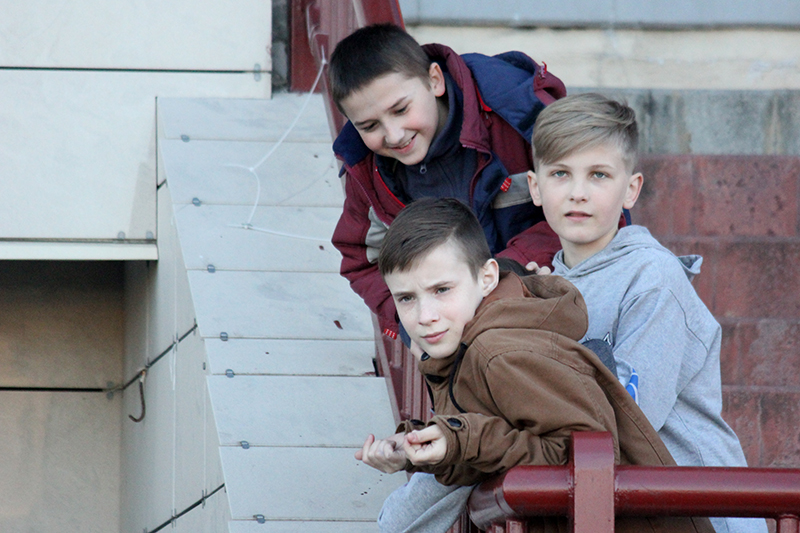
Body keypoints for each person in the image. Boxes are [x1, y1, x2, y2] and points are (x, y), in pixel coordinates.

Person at [357, 197, 713, 533]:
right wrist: (428, 447)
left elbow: (587, 454)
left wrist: (464, 440)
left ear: (487, 278)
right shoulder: (464, 349)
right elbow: (501, 445)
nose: (425, 316)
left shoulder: (499, 352)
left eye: (441, 290)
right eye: (406, 298)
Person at [519, 92, 767, 533]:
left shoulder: (653, 277)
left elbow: (629, 419)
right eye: (560, 173)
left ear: (631, 189)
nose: (578, 192)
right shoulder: (542, 289)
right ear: (535, 187)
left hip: (703, 508)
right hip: (619, 507)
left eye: (598, 175)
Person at [328, 23, 566, 341]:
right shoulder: (367, 170)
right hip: (455, 331)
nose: (394, 135)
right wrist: (409, 320)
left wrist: (514, 267)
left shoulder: (516, 113)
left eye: (401, 109)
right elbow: (362, 259)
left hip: (556, 294)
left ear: (435, 81)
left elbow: (590, 199)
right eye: (370, 126)